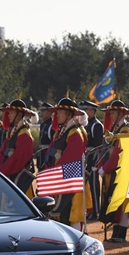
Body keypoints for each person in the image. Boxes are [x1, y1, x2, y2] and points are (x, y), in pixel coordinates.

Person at [42, 97, 88, 231]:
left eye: (60, 113)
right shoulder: (61, 132)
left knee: (71, 213)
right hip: (59, 176)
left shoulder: (75, 132)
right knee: (61, 213)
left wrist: (53, 174)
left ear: (69, 114)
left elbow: (70, 158)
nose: (57, 115)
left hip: (70, 179)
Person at [99, 100, 129, 243]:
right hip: (115, 170)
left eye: (114, 113)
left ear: (121, 114)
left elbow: (117, 154)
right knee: (115, 202)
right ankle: (116, 234)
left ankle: (121, 234)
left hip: (122, 171)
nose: (111, 115)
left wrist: (105, 168)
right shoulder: (117, 129)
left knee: (122, 204)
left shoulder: (125, 131)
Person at [0, 99, 36, 196]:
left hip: (19, 178)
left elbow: (18, 158)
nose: (8, 115)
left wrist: (2, 170)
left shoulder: (24, 134)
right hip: (9, 175)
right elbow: (2, 152)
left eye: (11, 113)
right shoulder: (12, 131)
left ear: (19, 115)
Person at [79, 100, 104, 221]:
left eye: (87, 110)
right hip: (86, 157)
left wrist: (95, 163)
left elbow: (99, 146)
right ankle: (88, 209)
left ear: (93, 111)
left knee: (93, 185)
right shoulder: (86, 124)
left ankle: (95, 210)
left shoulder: (96, 125)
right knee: (86, 185)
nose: (85, 112)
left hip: (93, 157)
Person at [37, 101, 55, 168]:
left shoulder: (52, 125)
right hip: (42, 154)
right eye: (41, 111)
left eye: (43, 111)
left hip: (48, 156)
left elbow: (54, 144)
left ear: (50, 112)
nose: (41, 113)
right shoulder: (42, 124)